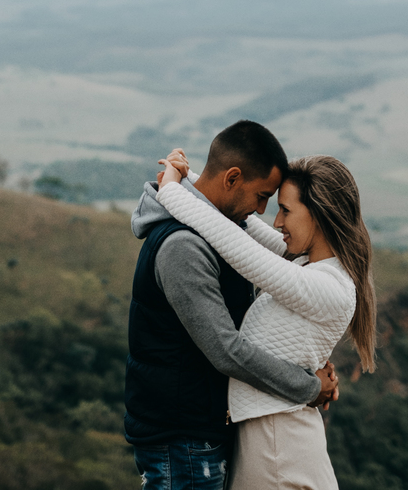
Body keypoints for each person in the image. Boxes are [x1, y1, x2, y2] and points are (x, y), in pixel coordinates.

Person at [124, 120, 339, 490]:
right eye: (261, 196)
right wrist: (306, 387)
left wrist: (307, 356)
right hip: (184, 441)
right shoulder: (184, 247)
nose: (261, 211)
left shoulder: (217, 232)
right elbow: (226, 348)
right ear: (232, 178)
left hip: (198, 433)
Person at [153, 148, 376, 490]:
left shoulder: (324, 285)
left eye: (285, 210)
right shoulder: (307, 265)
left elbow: (236, 244)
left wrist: (170, 190)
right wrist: (194, 177)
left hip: (277, 444)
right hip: (271, 433)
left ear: (318, 215)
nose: (277, 221)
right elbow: (246, 225)